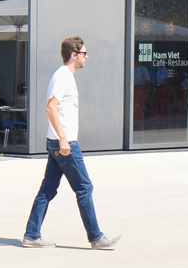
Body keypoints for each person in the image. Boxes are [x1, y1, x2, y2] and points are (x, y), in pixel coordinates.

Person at [23, 35, 118, 250]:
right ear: (73, 55)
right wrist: (64, 139)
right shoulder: (63, 76)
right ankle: (96, 237)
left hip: (57, 142)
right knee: (84, 187)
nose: (87, 57)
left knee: (47, 190)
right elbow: (50, 107)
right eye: (84, 53)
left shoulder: (65, 76)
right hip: (64, 144)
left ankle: (31, 235)